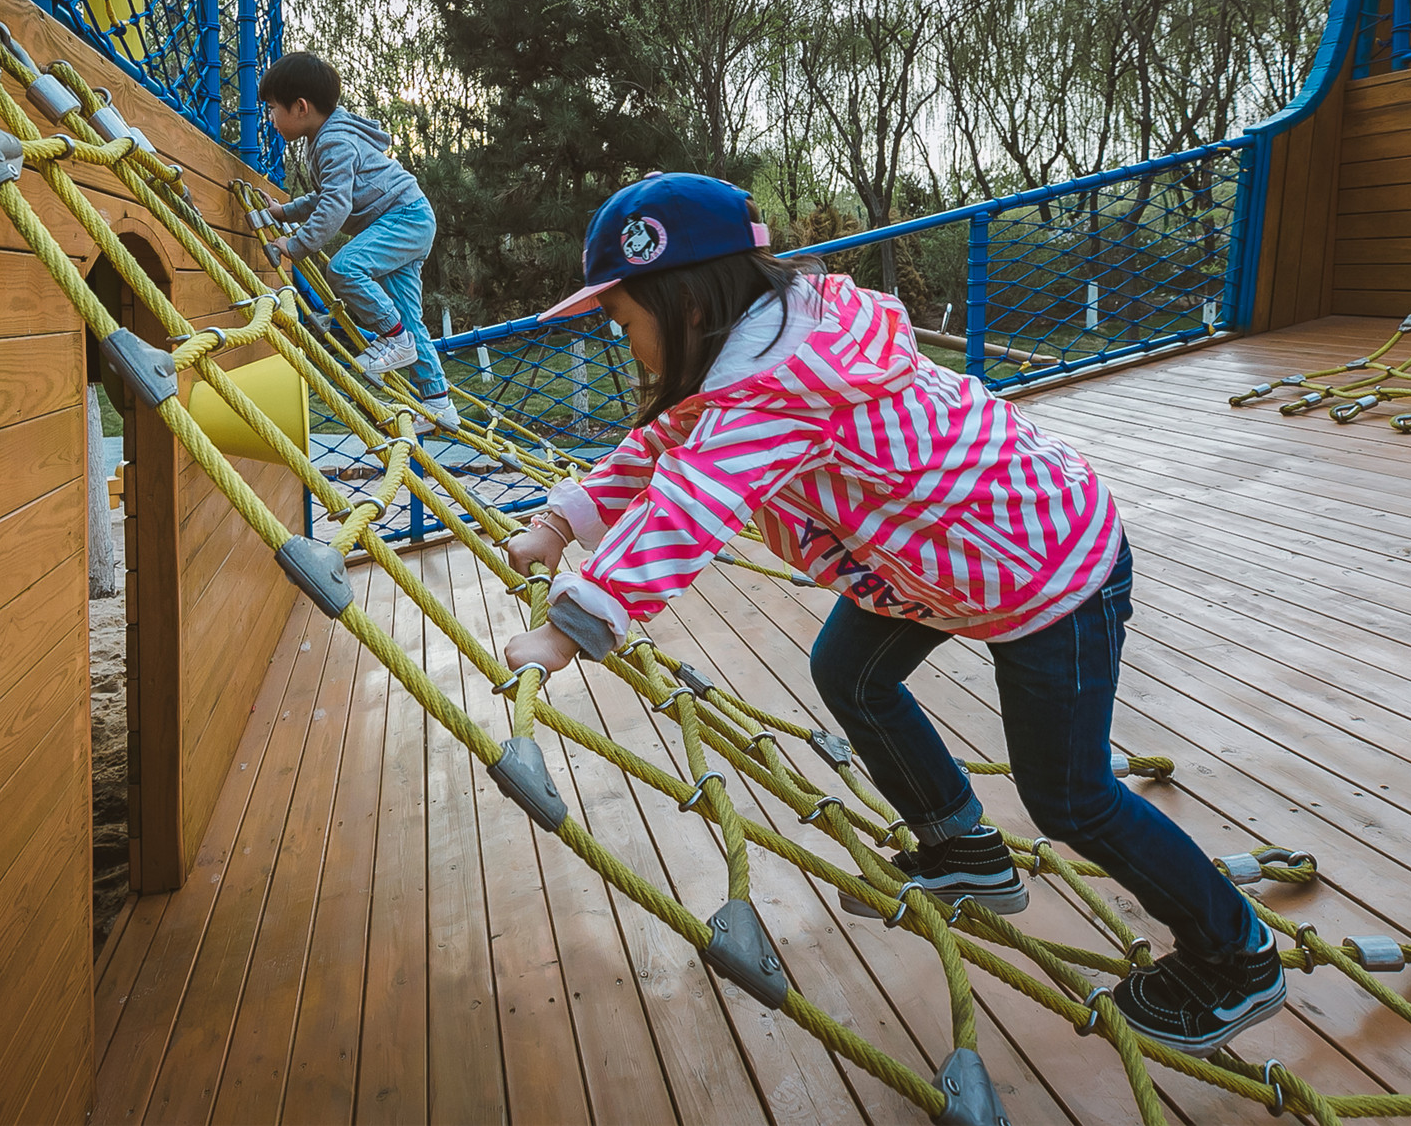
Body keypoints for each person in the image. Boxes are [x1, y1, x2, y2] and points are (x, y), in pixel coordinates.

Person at [498, 172, 1281, 1055]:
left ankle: (1236, 955)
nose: (622, 338)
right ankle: (964, 849)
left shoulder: (777, 382)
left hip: (1046, 568)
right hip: (949, 558)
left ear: (685, 305)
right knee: (849, 673)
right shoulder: (767, 343)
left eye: (624, 316)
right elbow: (670, 441)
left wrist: (568, 629)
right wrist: (564, 520)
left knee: (1070, 796)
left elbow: (692, 505)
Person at [249, 51, 458, 431]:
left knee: (345, 268)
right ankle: (440, 403)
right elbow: (325, 196)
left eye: (273, 108)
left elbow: (335, 204)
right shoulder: (324, 139)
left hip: (403, 218)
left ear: (300, 107)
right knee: (410, 319)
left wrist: (293, 246)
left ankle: (395, 340)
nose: (271, 118)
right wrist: (285, 212)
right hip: (406, 218)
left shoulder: (334, 143)